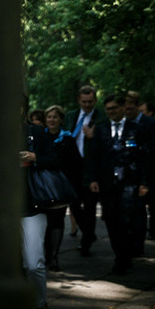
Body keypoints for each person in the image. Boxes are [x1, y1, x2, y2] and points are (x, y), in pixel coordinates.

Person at [88, 94, 150, 275]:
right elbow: (94, 156)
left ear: (123, 107)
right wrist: (93, 179)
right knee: (111, 220)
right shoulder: (101, 129)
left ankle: (123, 258)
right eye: (108, 109)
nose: (111, 112)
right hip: (107, 183)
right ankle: (121, 254)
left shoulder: (137, 129)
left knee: (127, 220)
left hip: (129, 183)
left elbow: (144, 158)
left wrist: (144, 182)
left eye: (114, 108)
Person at [20, 117, 61, 309]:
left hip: (32, 206)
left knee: (34, 263)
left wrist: (35, 157)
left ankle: (39, 305)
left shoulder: (36, 132)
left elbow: (56, 159)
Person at [64, 85, 106, 256]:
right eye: (84, 102)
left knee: (89, 207)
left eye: (90, 102)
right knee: (73, 204)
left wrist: (93, 137)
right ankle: (89, 233)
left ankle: (86, 242)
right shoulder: (70, 116)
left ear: (95, 101)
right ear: (79, 101)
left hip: (91, 169)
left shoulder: (102, 119)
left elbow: (107, 142)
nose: (87, 105)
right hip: (72, 168)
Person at [40, 105, 79, 271]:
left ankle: (54, 256)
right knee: (43, 222)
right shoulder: (40, 137)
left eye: (55, 117)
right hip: (41, 187)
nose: (51, 120)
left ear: (61, 120)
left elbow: (75, 163)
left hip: (59, 187)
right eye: (49, 117)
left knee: (56, 221)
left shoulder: (68, 139)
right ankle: (45, 254)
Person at [125, 91, 155, 239]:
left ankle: (153, 228)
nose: (127, 111)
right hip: (132, 170)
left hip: (151, 169)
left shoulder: (152, 124)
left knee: (153, 201)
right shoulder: (125, 124)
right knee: (136, 205)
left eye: (130, 108)